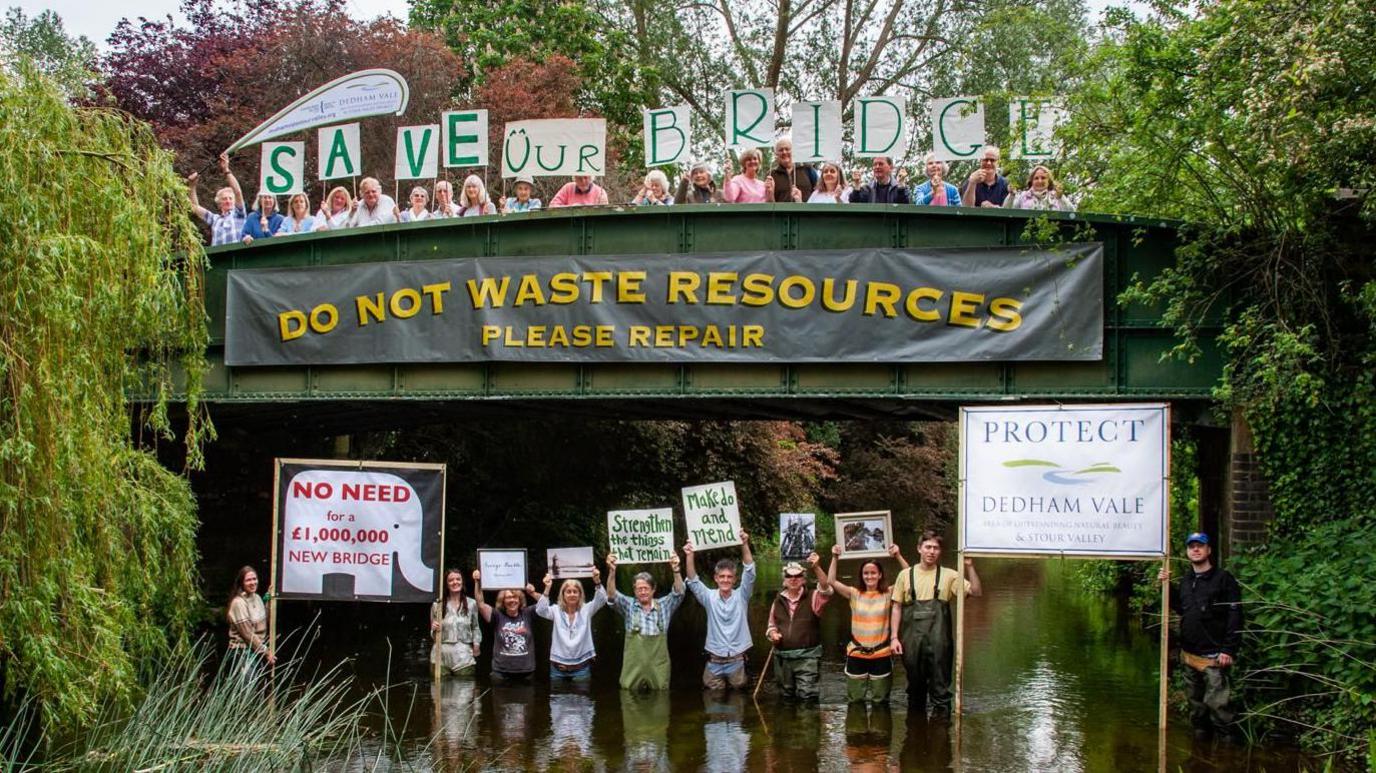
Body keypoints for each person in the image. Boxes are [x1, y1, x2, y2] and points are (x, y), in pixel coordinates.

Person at [1159, 532, 1243, 741]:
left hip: (1214, 654)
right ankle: (1201, 748)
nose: (1195, 550)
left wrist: (1228, 649)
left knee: (1219, 704)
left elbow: (1235, 616)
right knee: (1196, 705)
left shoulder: (1224, 579)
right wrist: (1166, 586)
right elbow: (1181, 609)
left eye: (1200, 546)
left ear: (1208, 551)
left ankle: (1227, 748)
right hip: (1189, 654)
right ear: (1188, 551)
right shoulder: (1187, 581)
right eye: (1191, 546)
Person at [889, 530, 982, 716]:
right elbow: (897, 607)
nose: (931, 551)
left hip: (940, 643)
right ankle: (915, 736)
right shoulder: (905, 575)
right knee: (915, 691)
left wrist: (970, 566)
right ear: (919, 549)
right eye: (928, 547)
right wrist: (893, 638)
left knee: (940, 692)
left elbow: (977, 592)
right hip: (911, 643)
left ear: (940, 552)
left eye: (936, 548)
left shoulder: (950, 575)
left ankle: (941, 736)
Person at [683, 530, 756, 689]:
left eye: (729, 577)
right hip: (714, 660)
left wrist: (744, 544)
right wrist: (689, 554)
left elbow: (750, 571)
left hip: (737, 660)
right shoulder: (708, 597)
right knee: (713, 703)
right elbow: (693, 581)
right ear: (716, 578)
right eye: (722, 576)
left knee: (737, 703)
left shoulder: (742, 596)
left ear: (735, 579)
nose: (725, 580)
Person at [605, 551, 686, 691]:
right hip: (633, 667)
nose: (642, 592)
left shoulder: (664, 605)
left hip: (658, 667)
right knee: (628, 695)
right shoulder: (629, 605)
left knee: (660, 697)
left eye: (646, 588)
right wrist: (612, 571)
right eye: (639, 589)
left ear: (653, 589)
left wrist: (676, 570)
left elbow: (679, 593)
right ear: (634, 591)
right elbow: (612, 596)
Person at [827, 545, 894, 704]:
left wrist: (897, 555)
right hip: (856, 653)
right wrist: (835, 557)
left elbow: (909, 578)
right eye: (866, 573)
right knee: (855, 701)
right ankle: (856, 728)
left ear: (880, 575)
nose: (869, 576)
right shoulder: (854, 594)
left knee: (880, 702)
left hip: (882, 653)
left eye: (873, 573)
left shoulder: (888, 593)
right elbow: (831, 581)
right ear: (861, 575)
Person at [765, 553, 831, 701]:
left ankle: (808, 724)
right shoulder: (777, 601)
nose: (793, 579)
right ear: (784, 580)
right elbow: (771, 626)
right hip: (783, 658)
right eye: (789, 576)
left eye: (797, 576)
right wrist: (773, 635)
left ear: (803, 579)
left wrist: (817, 567)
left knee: (807, 697)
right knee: (786, 697)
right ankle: (790, 723)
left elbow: (827, 590)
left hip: (808, 657)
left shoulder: (814, 597)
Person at [533, 565, 608, 682]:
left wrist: (597, 581)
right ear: (563, 595)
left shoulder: (587, 609)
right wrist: (547, 588)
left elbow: (602, 600)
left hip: (581, 668)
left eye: (575, 592)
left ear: (580, 594)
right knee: (558, 699)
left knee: (582, 699)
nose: (572, 594)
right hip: (557, 669)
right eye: (568, 592)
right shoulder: (556, 610)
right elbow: (540, 610)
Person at [473, 569, 540, 681]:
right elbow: (480, 604)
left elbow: (545, 605)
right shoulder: (497, 615)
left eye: (515, 597)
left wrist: (532, 593)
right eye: (508, 597)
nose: (512, 600)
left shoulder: (527, 613)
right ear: (503, 601)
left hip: (526, 672)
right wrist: (477, 582)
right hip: (501, 673)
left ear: (520, 600)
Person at [186, 152, 246, 246]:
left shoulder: (239, 214)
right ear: (219, 203)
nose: (228, 201)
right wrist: (192, 185)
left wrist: (226, 170)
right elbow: (194, 207)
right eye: (224, 199)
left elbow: (238, 192)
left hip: (237, 257)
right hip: (221, 257)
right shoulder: (214, 219)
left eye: (230, 198)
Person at [431, 568, 482, 676]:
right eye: (451, 580)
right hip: (441, 653)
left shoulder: (471, 603)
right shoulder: (437, 604)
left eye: (458, 579)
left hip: (463, 653)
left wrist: (476, 645)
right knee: (440, 689)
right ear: (446, 584)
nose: (455, 582)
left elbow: (475, 627)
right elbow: (433, 634)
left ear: (462, 581)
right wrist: (434, 628)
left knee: (465, 688)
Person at [226, 565, 275, 671]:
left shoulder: (257, 598)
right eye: (248, 580)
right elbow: (247, 634)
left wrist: (269, 601)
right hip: (242, 653)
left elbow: (263, 620)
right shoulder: (238, 603)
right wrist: (266, 652)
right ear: (242, 583)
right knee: (245, 686)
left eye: (254, 579)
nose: (253, 582)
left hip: (256, 651)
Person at [1005, 165, 1074, 211]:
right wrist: (1011, 195)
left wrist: (1060, 198)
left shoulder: (1056, 196)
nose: (1040, 181)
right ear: (1031, 181)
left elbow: (1072, 213)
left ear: (1048, 181)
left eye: (1043, 178)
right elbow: (1006, 212)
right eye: (1036, 178)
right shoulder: (1023, 196)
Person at [768, 138, 812, 203]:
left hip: (807, 212)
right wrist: (770, 193)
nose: (784, 152)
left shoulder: (807, 169)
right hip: (782, 212)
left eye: (787, 149)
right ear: (776, 154)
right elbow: (769, 202)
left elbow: (818, 191)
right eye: (781, 150)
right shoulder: (771, 174)